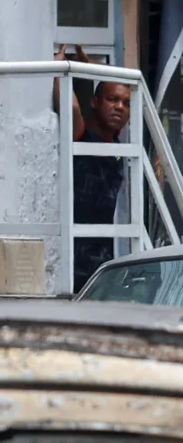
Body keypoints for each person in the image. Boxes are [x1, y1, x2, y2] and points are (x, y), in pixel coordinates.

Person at [73, 78, 134, 290]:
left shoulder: (116, 140)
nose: (120, 107)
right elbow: (71, 106)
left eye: (126, 103)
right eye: (112, 99)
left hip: (103, 260)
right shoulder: (81, 134)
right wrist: (63, 65)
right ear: (94, 102)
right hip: (74, 257)